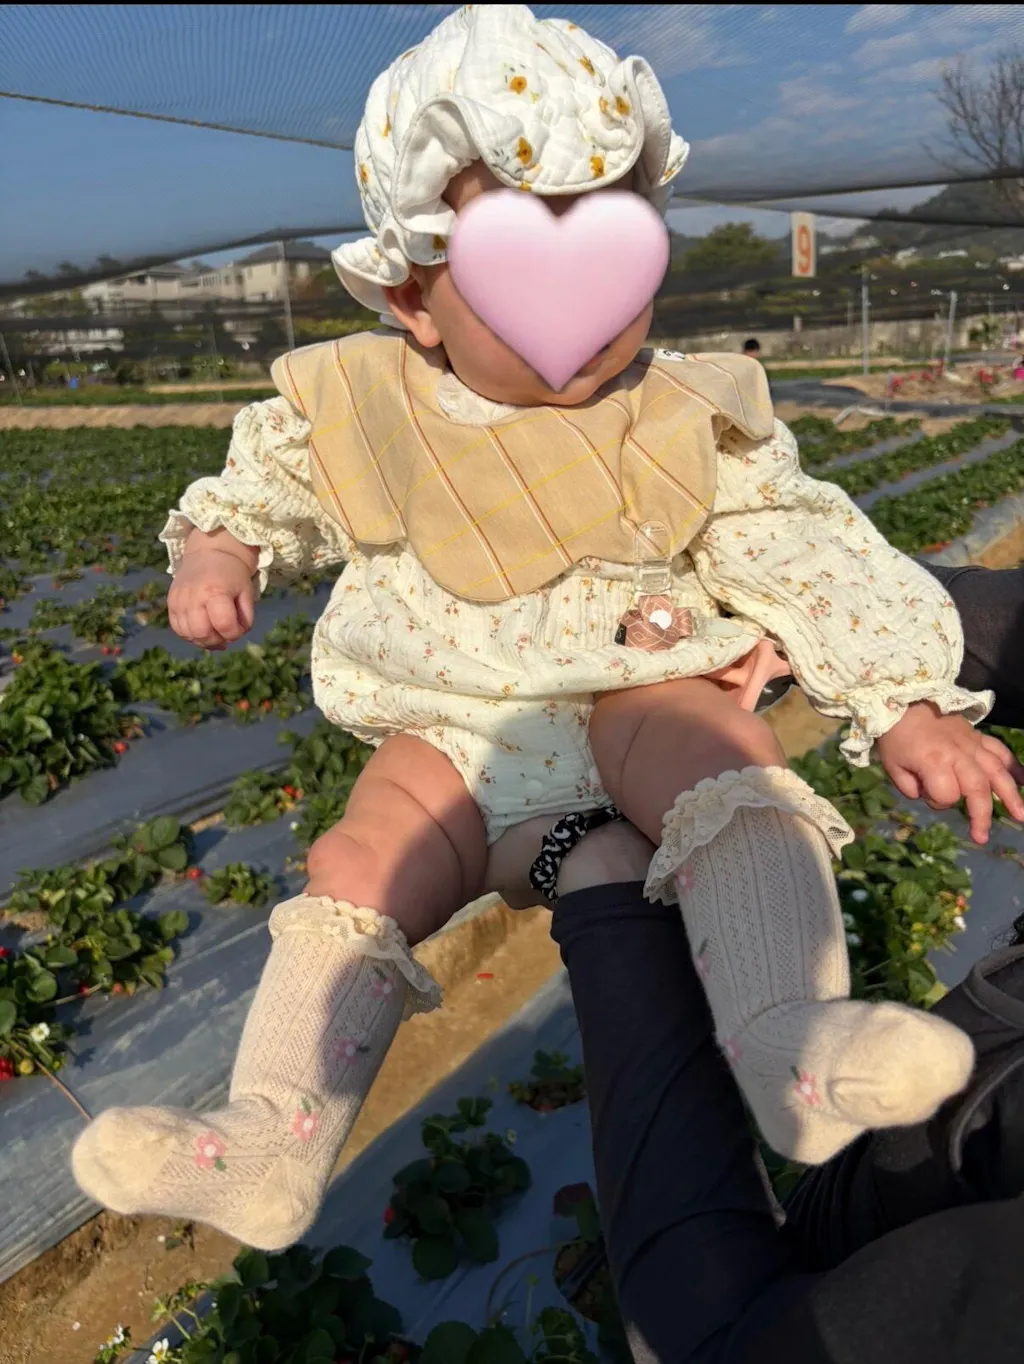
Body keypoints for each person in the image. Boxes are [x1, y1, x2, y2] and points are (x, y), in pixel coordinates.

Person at [71, 4, 1023, 1251]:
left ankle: (787, 1037)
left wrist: (902, 696)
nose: (586, 311)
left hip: (633, 689)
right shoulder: (356, 402)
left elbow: (802, 548)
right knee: (360, 858)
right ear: (413, 295)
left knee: (731, 769)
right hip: (452, 725)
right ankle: (273, 1139)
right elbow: (260, 487)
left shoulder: (681, 412)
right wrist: (219, 547)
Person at [523, 560, 1024, 1363]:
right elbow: (961, 611)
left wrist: (604, 889)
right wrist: (880, 684)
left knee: (731, 765)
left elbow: (719, 1341)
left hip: (858, 1262)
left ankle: (780, 1030)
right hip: (893, 1172)